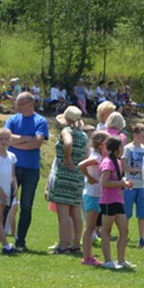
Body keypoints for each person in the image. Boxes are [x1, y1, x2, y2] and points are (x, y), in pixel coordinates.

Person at [0, 92, 48, 252]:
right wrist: (26, 138)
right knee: (5, 203)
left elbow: (37, 143)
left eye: (20, 104)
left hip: (31, 169)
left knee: (26, 206)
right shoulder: (13, 119)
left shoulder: (40, 121)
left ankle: (20, 241)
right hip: (12, 168)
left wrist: (16, 142)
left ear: (29, 104)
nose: (17, 106)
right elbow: (6, 139)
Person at [48, 106, 88, 254]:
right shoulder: (84, 135)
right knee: (75, 212)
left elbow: (68, 143)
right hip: (78, 176)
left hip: (64, 174)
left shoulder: (66, 131)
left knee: (63, 213)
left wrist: (68, 158)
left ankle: (64, 245)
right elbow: (86, 156)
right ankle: (76, 244)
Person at [99, 136, 133, 270]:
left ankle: (121, 260)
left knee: (124, 231)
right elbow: (104, 182)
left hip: (118, 200)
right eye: (122, 146)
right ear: (118, 148)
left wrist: (124, 182)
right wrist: (121, 183)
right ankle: (108, 260)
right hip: (108, 200)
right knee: (106, 231)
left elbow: (117, 179)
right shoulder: (108, 162)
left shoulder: (117, 162)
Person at [79, 131, 109, 266]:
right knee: (90, 227)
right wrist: (89, 177)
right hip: (92, 194)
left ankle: (88, 255)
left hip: (95, 193)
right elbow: (81, 165)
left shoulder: (99, 156)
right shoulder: (96, 157)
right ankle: (87, 257)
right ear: (101, 144)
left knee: (91, 226)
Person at [122, 123, 144, 249]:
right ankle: (124, 234)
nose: (143, 139)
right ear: (135, 135)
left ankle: (141, 237)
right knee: (127, 212)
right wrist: (138, 170)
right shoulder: (127, 148)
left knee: (142, 214)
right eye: (141, 136)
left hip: (142, 185)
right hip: (130, 184)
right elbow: (124, 166)